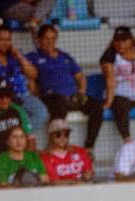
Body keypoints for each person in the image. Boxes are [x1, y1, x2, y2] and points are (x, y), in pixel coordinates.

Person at [27, 25, 103, 153]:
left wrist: (81, 92)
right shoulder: (33, 57)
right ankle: (57, 146)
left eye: (53, 38)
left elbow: (80, 77)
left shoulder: (65, 56)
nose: (50, 42)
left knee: (96, 107)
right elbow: (29, 77)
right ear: (39, 40)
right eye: (46, 38)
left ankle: (89, 147)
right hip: (51, 97)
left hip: (73, 96)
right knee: (59, 103)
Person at [0, 24, 48, 130]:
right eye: (1, 39)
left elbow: (33, 74)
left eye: (8, 40)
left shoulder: (15, 54)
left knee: (41, 112)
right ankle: (17, 136)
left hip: (22, 95)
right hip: (2, 98)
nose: (5, 43)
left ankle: (20, 135)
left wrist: (19, 57)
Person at [41, 118, 93, 184]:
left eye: (66, 134)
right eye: (58, 135)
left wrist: (88, 174)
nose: (62, 138)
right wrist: (75, 182)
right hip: (61, 190)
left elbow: (89, 170)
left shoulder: (79, 151)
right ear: (51, 136)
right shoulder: (46, 157)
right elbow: (54, 182)